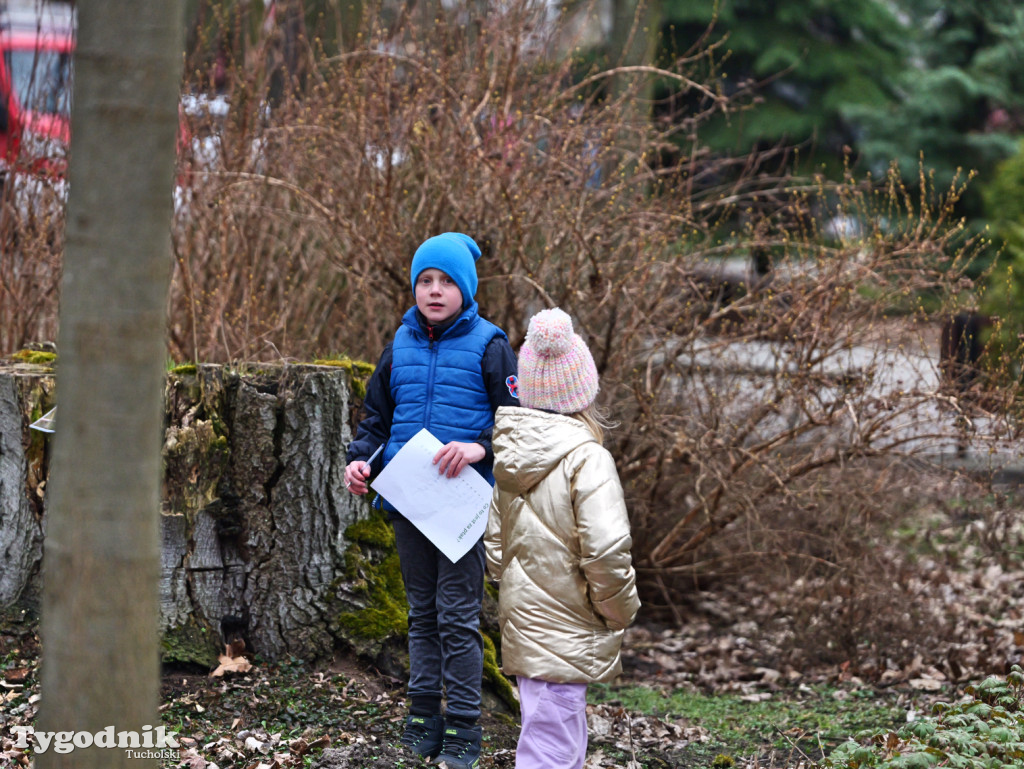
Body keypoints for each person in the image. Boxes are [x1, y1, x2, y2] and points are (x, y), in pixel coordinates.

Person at [344, 232, 518, 769]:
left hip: (462, 505)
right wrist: (362, 461)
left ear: (466, 289)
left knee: (458, 616)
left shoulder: (491, 345)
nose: (435, 291)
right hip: (408, 502)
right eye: (425, 281)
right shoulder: (398, 346)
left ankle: (465, 727)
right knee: (420, 614)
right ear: (414, 288)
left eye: (446, 282)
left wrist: (478, 448)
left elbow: (518, 425)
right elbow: (377, 420)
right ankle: (423, 717)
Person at [485, 307, 640, 769]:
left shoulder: (510, 454)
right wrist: (620, 611)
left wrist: (519, 592)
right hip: (570, 625)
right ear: (584, 390)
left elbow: (495, 549)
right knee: (552, 746)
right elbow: (607, 551)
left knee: (550, 733)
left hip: (526, 623)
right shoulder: (587, 459)